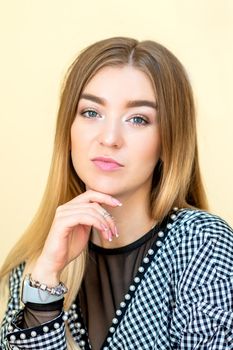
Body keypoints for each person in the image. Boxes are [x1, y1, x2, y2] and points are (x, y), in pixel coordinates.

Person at [0, 37, 232, 350]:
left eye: (138, 119)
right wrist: (44, 293)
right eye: (91, 112)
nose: (109, 138)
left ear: (169, 142)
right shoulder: (34, 270)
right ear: (68, 132)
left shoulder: (201, 243)